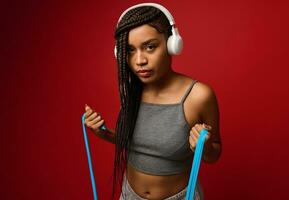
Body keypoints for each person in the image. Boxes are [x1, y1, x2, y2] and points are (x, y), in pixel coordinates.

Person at [84, 3, 221, 200]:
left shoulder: (198, 96)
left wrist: (204, 145)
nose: (139, 60)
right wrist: (103, 133)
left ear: (172, 44)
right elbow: (140, 145)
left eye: (150, 47)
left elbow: (214, 154)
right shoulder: (132, 90)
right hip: (128, 194)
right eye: (130, 50)